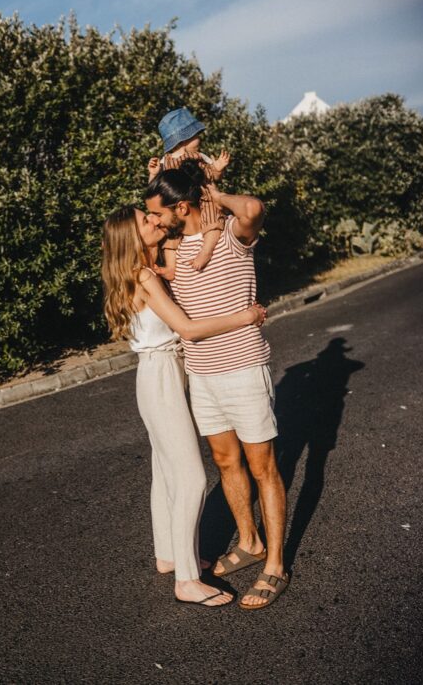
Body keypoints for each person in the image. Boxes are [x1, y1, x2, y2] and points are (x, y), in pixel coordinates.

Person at [101, 205, 267, 607]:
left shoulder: (143, 270)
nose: (156, 221)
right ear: (131, 238)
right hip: (162, 377)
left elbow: (169, 221)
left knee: (165, 470)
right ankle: (187, 581)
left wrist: (157, 176)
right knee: (191, 477)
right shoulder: (144, 276)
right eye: (146, 221)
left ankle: (170, 556)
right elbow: (188, 329)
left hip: (157, 374)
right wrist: (244, 316)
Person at [145, 166, 290, 610]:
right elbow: (146, 227)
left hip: (243, 368)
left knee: (262, 467)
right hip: (203, 375)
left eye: (159, 212)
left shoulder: (230, 235)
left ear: (183, 207)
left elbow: (254, 207)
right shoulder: (175, 249)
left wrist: (214, 190)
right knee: (226, 463)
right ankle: (250, 542)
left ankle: (276, 566)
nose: (156, 220)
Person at [147, 107, 230, 276]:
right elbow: (155, 188)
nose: (199, 138)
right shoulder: (164, 162)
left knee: (213, 220)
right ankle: (171, 267)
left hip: (204, 200)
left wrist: (218, 169)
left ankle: (206, 251)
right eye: (196, 135)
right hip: (177, 206)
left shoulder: (200, 156)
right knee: (171, 233)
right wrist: (153, 174)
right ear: (184, 139)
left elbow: (212, 175)